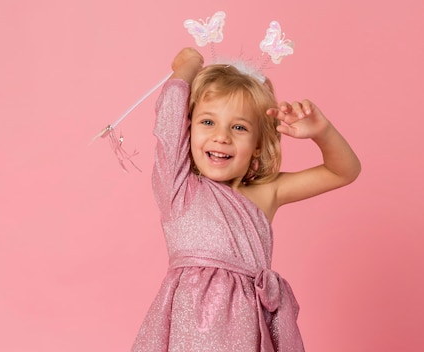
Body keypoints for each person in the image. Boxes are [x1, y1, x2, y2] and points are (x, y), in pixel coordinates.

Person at [131, 48, 361, 352]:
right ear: (188, 129)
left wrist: (323, 132)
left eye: (239, 127)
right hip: (190, 338)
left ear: (257, 144)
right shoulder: (179, 189)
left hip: (250, 334)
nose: (221, 136)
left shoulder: (268, 192)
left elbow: (343, 171)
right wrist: (188, 67)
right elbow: (170, 119)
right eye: (207, 122)